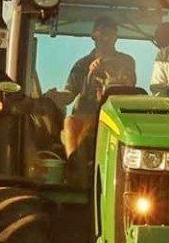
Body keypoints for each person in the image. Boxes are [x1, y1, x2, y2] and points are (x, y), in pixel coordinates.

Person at [55, 18, 136, 157]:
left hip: (116, 116)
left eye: (109, 33)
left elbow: (129, 87)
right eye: (102, 33)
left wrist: (109, 72)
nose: (105, 38)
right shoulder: (81, 64)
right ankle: (73, 164)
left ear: (115, 37)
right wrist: (55, 96)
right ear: (93, 36)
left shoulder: (126, 62)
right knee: (70, 122)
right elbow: (69, 93)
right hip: (86, 115)